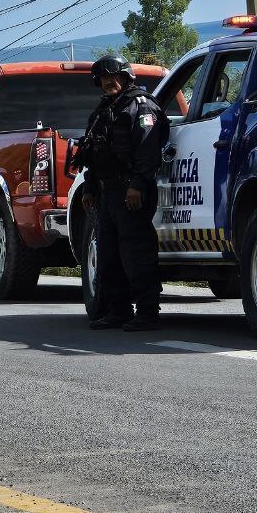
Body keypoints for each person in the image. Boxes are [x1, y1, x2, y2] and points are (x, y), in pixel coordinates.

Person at [78, 55, 168, 331]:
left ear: (127, 76)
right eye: (103, 78)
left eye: (114, 76)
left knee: (136, 253)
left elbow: (148, 149)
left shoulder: (142, 106)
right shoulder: (106, 109)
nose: (108, 82)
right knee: (108, 255)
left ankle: (147, 313)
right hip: (107, 192)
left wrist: (137, 185)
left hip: (131, 191)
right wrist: (91, 186)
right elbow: (95, 151)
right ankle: (118, 310)